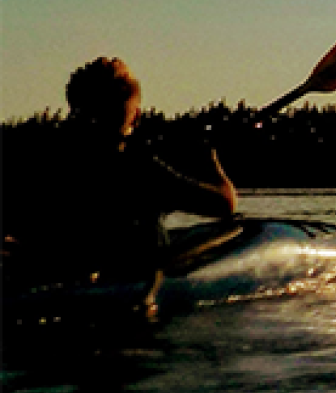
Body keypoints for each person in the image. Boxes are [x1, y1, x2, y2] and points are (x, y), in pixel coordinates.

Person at [3, 57, 237, 286]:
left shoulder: (47, 163)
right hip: (118, 281)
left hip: (55, 275)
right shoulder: (142, 170)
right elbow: (225, 203)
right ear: (136, 117)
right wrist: (211, 163)